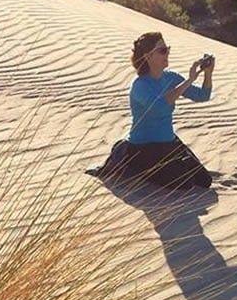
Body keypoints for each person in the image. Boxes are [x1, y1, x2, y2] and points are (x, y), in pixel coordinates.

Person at [91, 31, 215, 189]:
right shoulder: (140, 85)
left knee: (204, 181)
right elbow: (160, 107)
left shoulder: (171, 78)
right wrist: (190, 80)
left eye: (167, 49)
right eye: (162, 50)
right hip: (143, 147)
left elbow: (203, 96)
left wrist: (208, 74)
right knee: (184, 184)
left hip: (169, 142)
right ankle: (134, 168)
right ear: (148, 56)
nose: (167, 53)